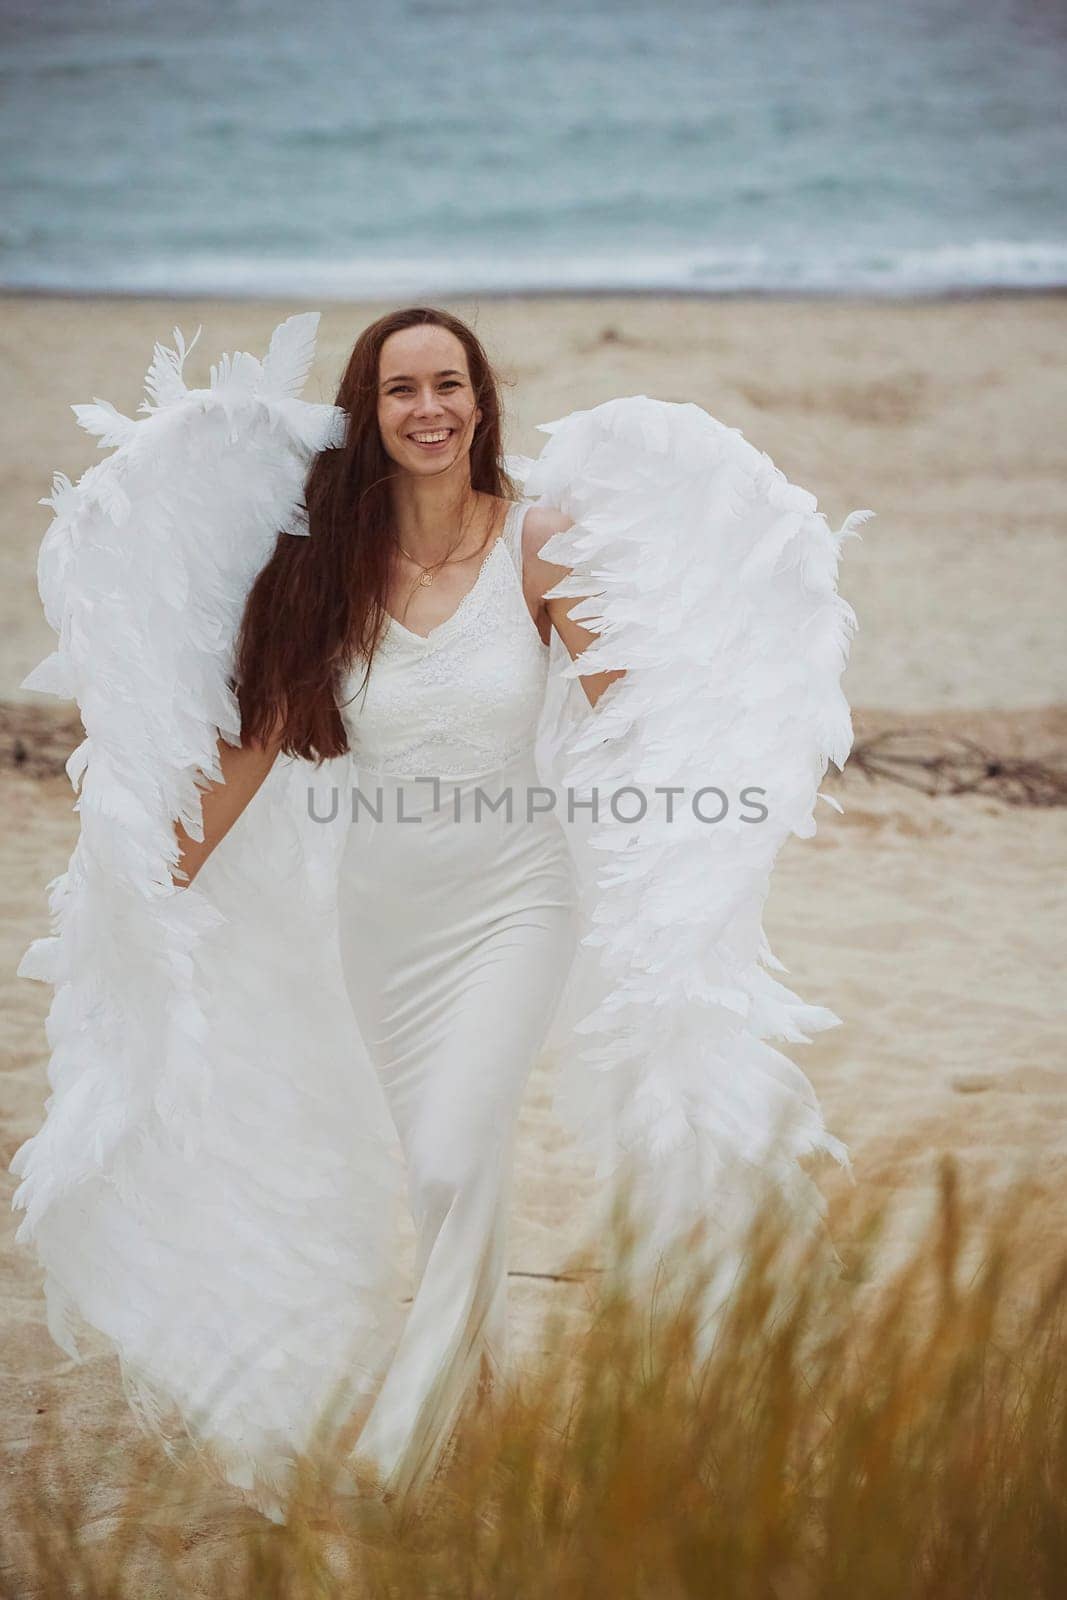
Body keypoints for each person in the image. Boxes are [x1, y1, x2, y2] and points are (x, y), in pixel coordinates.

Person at [10, 306, 869, 1520]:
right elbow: (255, 743)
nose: (429, 409)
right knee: (441, 1176)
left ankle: (394, 1454)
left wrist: (689, 833)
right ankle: (478, 1410)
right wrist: (153, 881)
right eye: (402, 389)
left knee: (461, 1156)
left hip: (518, 901)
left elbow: (624, 719)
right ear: (370, 411)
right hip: (384, 916)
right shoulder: (320, 565)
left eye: (448, 385)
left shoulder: (537, 545)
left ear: (479, 401)